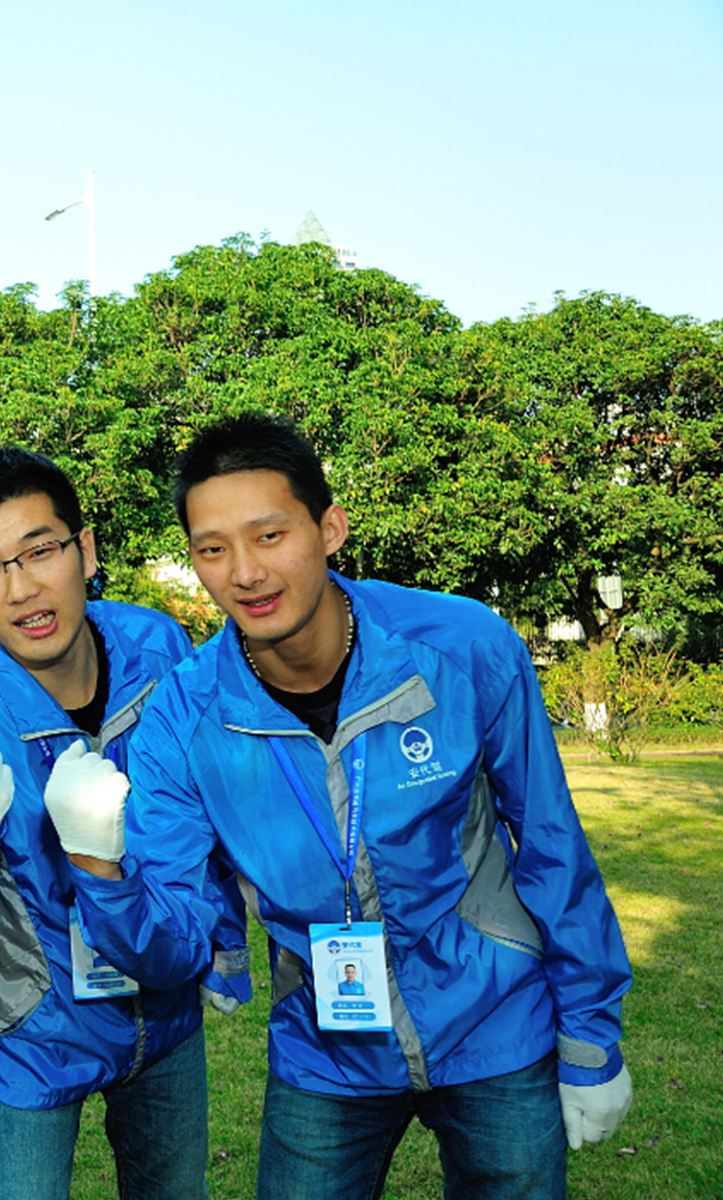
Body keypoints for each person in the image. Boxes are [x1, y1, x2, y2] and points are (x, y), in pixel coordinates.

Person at [68, 413, 634, 1200]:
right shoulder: (182, 719)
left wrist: (591, 1039)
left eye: (270, 536)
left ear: (329, 528)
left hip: (497, 1024)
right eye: (212, 549)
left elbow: (550, 844)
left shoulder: (462, 646)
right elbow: (174, 937)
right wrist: (100, 868)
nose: (245, 573)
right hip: (324, 1048)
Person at [0, 448, 248, 1200]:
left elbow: (206, 827)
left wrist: (224, 941)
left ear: (86, 550)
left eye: (39, 551)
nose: (21, 589)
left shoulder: (160, 653)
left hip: (165, 1009)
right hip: (30, 1037)